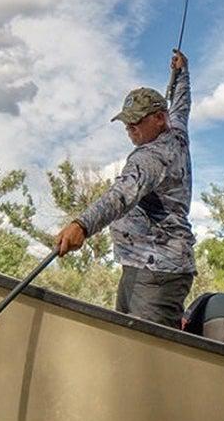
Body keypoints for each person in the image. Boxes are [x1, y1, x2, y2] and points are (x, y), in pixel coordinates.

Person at [54, 49, 195, 329]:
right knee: (125, 345)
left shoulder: (151, 158)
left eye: (137, 120)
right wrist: (182, 74)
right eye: (127, 121)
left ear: (158, 118)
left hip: (158, 272)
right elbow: (181, 106)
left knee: (145, 355)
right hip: (141, 265)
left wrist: (82, 225)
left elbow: (121, 196)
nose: (130, 127)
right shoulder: (176, 130)